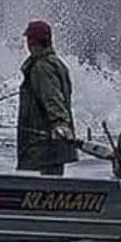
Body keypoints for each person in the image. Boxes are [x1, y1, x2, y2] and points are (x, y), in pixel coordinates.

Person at [17, 20, 78, 176]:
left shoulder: (41, 67)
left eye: (29, 41)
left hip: (42, 143)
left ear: (33, 42)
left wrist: (59, 123)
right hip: (54, 145)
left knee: (39, 192)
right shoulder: (58, 64)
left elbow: (52, 97)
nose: (28, 45)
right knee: (53, 187)